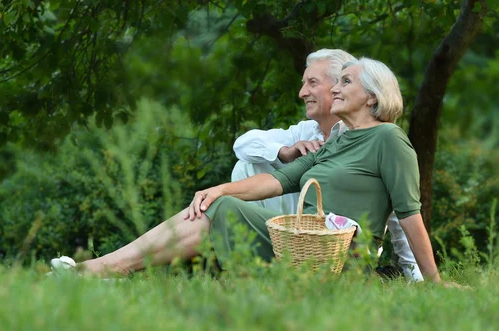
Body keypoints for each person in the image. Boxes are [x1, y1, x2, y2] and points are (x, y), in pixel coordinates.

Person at [52, 57, 446, 284]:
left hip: (337, 259)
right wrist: (219, 188)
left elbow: (410, 215)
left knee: (219, 209)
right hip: (297, 244)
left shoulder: (389, 140)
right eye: (336, 80)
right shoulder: (338, 141)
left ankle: (99, 270)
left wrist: (433, 282)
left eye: (345, 81)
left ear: (373, 96)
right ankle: (100, 270)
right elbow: (279, 180)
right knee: (215, 203)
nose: (335, 88)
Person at [232, 49, 423, 281]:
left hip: (338, 250)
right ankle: (265, 263)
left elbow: (400, 209)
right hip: (304, 233)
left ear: (369, 95)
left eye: (312, 83)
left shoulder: (382, 138)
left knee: (221, 208)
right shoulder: (309, 134)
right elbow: (245, 146)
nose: (302, 92)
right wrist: (283, 152)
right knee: (244, 169)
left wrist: (417, 275)